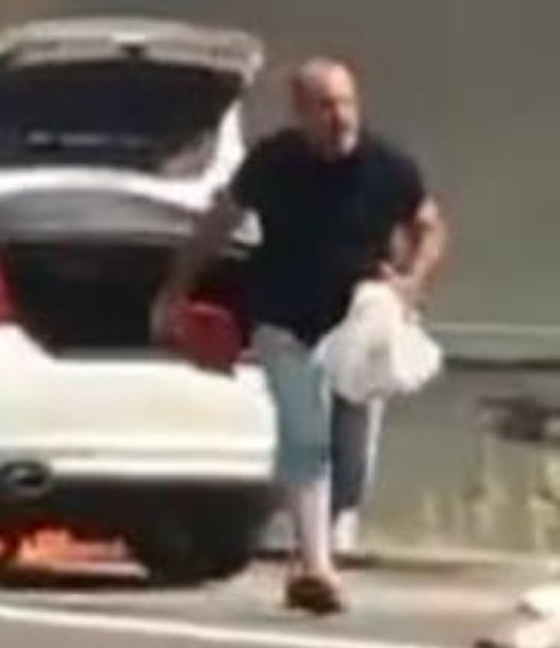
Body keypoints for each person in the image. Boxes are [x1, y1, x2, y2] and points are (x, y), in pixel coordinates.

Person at [153, 58, 449, 615]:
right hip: (285, 319)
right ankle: (315, 567)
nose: (339, 117)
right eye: (325, 106)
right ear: (301, 113)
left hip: (358, 325)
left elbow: (429, 225)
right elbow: (219, 222)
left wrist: (411, 284)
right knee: (304, 437)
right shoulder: (273, 163)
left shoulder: (386, 166)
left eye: (346, 103)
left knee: (351, 456)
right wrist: (178, 287)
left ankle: (325, 537)